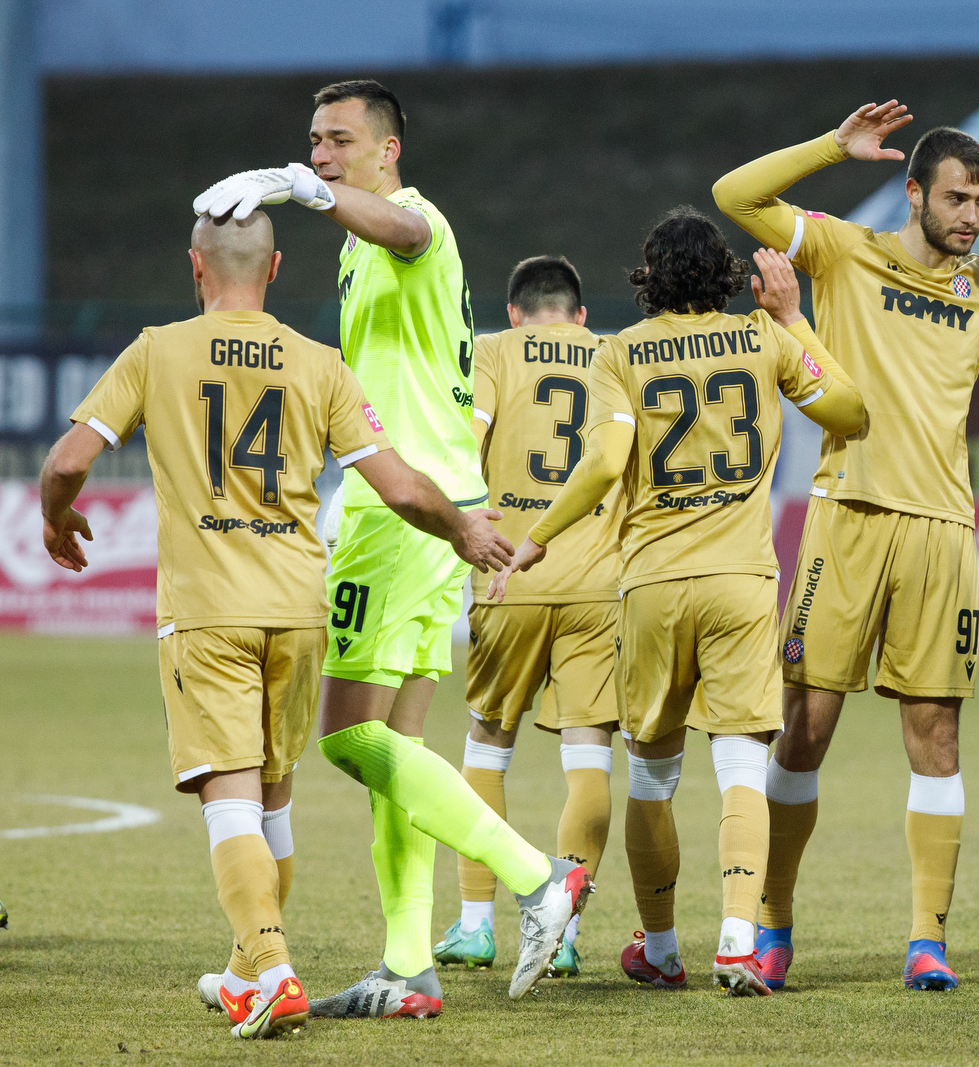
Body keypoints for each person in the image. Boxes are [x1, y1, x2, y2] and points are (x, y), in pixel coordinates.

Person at [38, 212, 510, 1039]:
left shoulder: (158, 348)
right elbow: (400, 485)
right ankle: (243, 967)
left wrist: (54, 516)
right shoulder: (319, 362)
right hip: (298, 611)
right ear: (277, 266)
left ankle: (276, 970)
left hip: (208, 611)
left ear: (196, 267)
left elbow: (69, 461)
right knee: (273, 801)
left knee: (227, 799)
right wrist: (466, 529)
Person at [193, 79, 587, 1016]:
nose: (322, 154)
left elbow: (406, 232)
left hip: (402, 509)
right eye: (312, 143)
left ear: (387, 151)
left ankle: (537, 879)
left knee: (346, 736)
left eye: (337, 142)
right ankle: (409, 963)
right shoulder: (359, 252)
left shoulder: (412, 220)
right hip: (433, 498)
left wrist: (304, 190)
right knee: (394, 746)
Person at [713, 100, 979, 991]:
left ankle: (928, 937)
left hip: (943, 532)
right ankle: (772, 923)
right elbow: (734, 193)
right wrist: (828, 149)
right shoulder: (847, 250)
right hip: (848, 518)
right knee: (803, 729)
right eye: (957, 198)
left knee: (937, 734)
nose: (971, 215)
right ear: (913, 193)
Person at [492, 210, 864, 996]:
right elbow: (852, 410)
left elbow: (600, 466)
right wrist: (793, 317)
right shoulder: (762, 340)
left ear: (649, 277)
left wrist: (538, 537)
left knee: (653, 779)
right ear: (724, 274)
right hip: (740, 582)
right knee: (739, 765)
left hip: (654, 584)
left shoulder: (621, 353)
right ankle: (736, 938)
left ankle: (659, 946)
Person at [431, 255, 623, 978]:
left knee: (487, 743)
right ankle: (564, 930)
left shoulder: (491, 350)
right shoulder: (610, 353)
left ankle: (476, 923)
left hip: (508, 569)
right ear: (578, 314)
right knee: (590, 755)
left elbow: (465, 440)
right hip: (597, 578)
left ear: (515, 313)